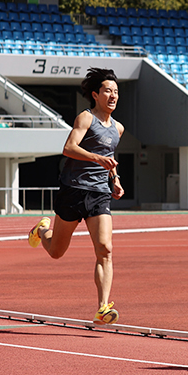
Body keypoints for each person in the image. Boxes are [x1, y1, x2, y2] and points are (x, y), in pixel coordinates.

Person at [28, 67, 125, 326]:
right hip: (73, 189)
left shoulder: (118, 128)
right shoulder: (86, 118)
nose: (113, 96)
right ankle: (42, 231)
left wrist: (115, 180)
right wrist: (96, 158)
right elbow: (69, 148)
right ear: (95, 94)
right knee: (56, 252)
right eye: (108, 91)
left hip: (99, 193)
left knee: (105, 249)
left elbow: (110, 158)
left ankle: (102, 308)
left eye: (116, 92)